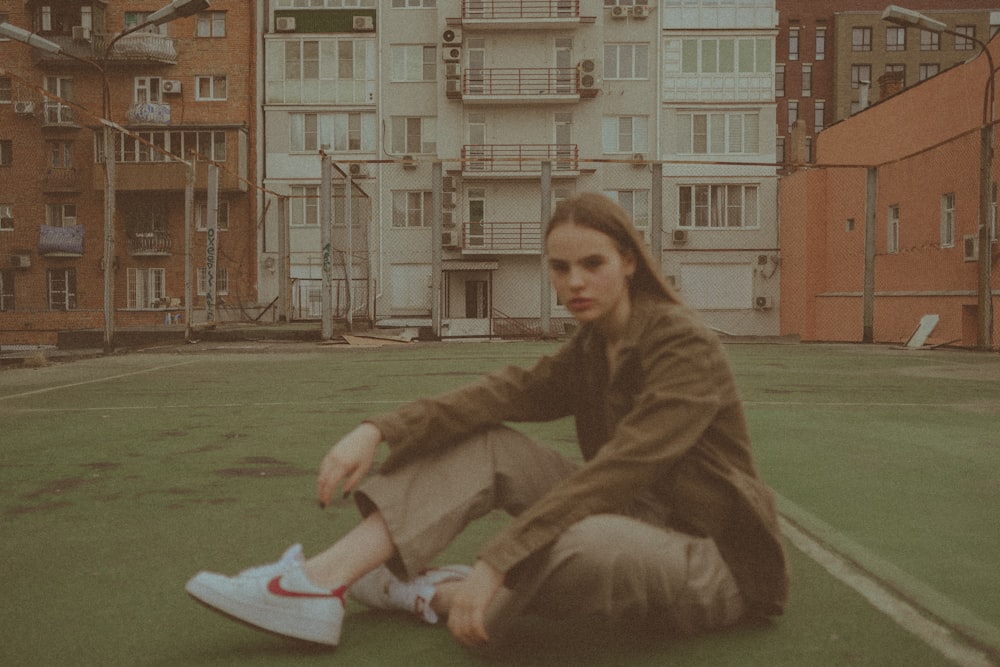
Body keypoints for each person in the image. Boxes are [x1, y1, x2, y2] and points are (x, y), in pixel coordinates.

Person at [186, 192, 790, 649]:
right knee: (485, 444)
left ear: (628, 261)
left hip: (715, 560)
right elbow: (502, 395)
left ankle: (426, 592)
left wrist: (498, 556)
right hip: (635, 519)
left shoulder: (682, 345)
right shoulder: (591, 347)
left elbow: (625, 468)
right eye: (559, 268)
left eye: (592, 263)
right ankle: (317, 584)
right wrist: (379, 429)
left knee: (578, 545)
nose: (574, 282)